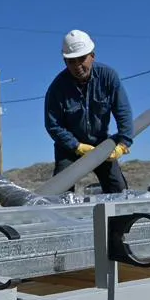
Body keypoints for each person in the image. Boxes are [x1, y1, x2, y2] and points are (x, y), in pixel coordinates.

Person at [43, 30, 134, 192]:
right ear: (65, 61)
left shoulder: (108, 77)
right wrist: (76, 146)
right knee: (60, 191)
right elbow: (53, 125)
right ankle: (63, 216)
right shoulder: (57, 88)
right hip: (69, 148)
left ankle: (117, 217)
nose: (77, 66)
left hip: (100, 144)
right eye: (71, 61)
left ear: (92, 56)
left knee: (118, 189)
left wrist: (122, 144)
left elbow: (123, 112)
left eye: (82, 59)